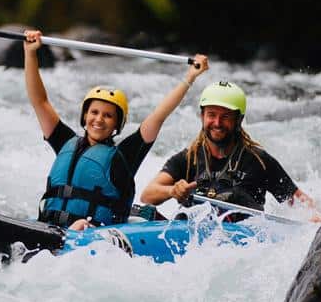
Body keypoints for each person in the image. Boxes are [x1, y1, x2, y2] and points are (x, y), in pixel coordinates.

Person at [23, 29, 209, 231]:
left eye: (108, 115)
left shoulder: (124, 155)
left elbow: (158, 116)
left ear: (116, 125)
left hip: (90, 235)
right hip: (48, 227)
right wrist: (30, 53)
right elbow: (40, 102)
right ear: (85, 116)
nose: (99, 119)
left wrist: (190, 77)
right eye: (94, 112)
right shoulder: (65, 141)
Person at [140, 81, 321, 221]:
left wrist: (315, 217)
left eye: (225, 117)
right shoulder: (189, 157)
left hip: (240, 239)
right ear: (202, 116)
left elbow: (299, 202)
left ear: (238, 120)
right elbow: (148, 195)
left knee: (232, 196)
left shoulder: (259, 160)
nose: (217, 123)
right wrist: (173, 191)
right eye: (211, 115)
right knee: (141, 212)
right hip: (192, 236)